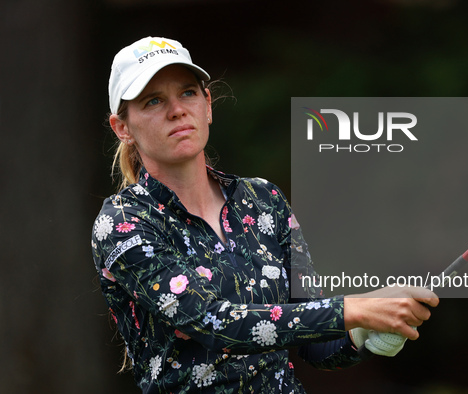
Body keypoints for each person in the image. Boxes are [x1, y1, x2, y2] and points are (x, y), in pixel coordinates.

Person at [91, 36, 439, 393]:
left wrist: (366, 332)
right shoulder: (124, 223)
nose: (177, 110)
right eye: (153, 100)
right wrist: (357, 309)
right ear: (123, 127)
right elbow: (215, 324)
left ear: (207, 104)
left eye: (188, 93)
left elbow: (315, 344)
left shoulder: (263, 199)